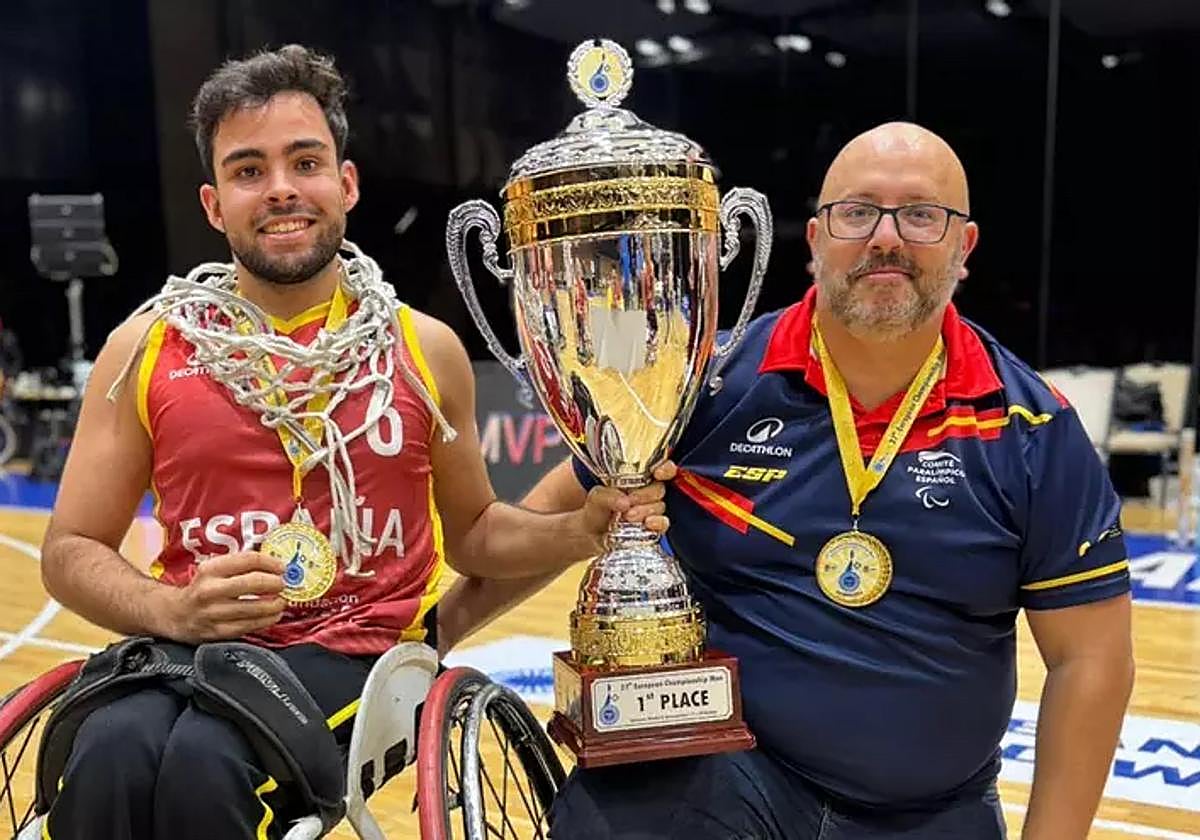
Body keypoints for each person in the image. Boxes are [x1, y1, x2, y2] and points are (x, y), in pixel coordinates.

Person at [38, 44, 668, 840]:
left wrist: (580, 530)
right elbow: (70, 549)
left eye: (305, 161)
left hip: (358, 657)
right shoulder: (146, 349)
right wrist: (171, 607)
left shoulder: (424, 348)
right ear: (212, 203)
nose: (281, 190)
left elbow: (473, 535)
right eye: (247, 170)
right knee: (105, 750)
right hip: (186, 645)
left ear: (348, 182)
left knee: (205, 762)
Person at [473, 121, 1135, 839]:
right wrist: (424, 639)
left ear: (963, 248)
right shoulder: (704, 385)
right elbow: (533, 529)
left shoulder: (1033, 428)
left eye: (921, 214)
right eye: (857, 212)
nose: (886, 237)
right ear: (816, 238)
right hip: (729, 777)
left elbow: (1089, 660)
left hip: (934, 811)